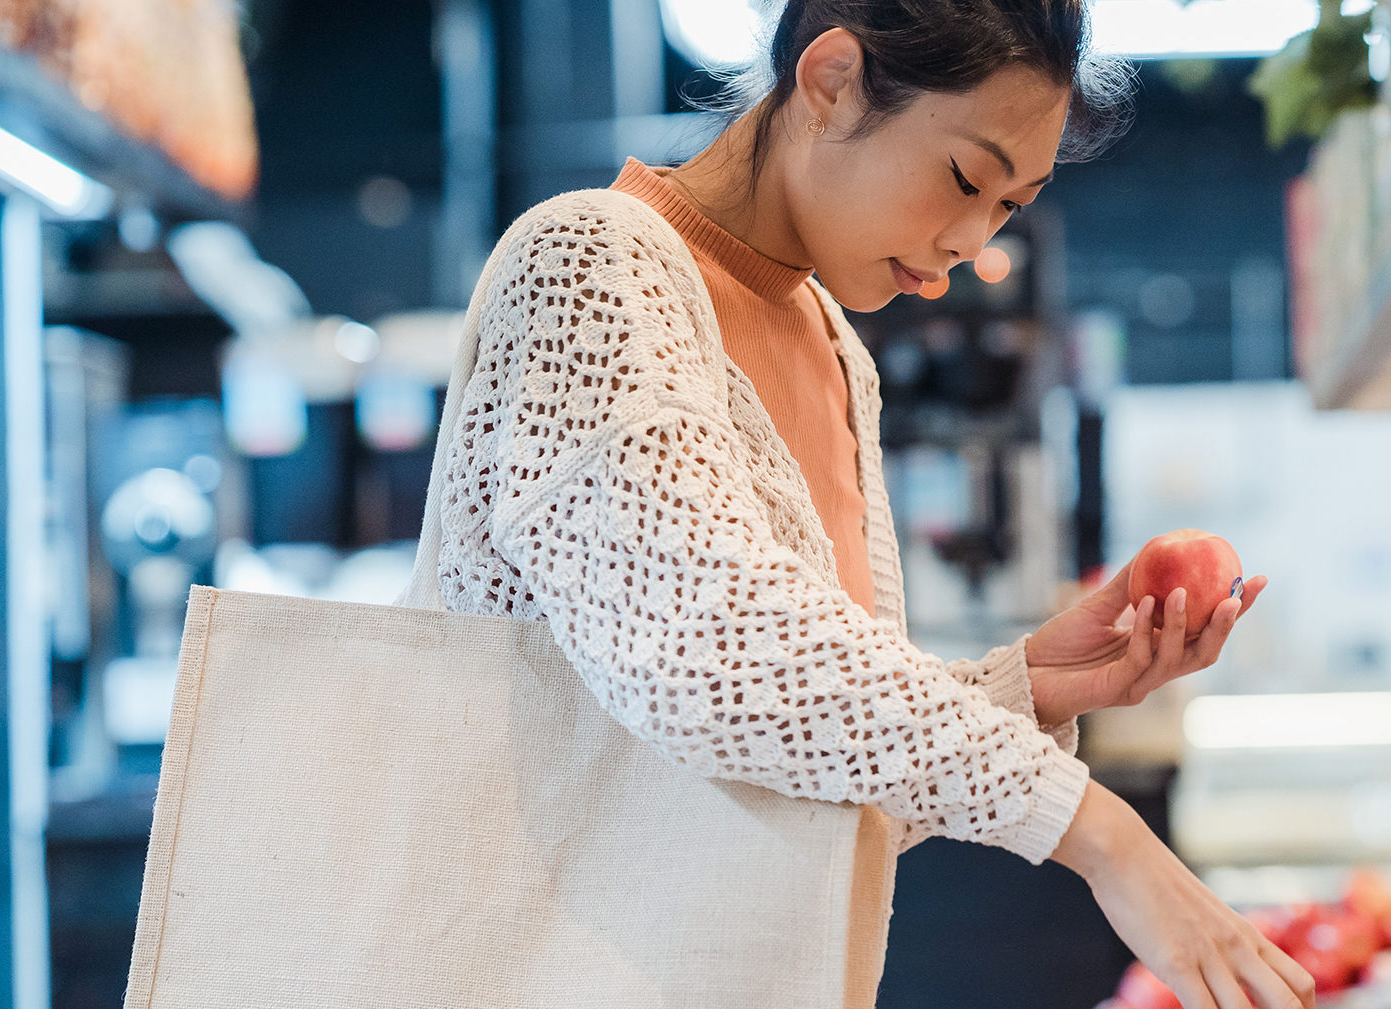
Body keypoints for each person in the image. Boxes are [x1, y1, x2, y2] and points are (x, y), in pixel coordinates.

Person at [431, 2, 1314, 1006]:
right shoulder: (591, 264)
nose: (971, 240)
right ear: (833, 77)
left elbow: (802, 775)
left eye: (1009, 206)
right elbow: (707, 653)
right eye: (965, 179)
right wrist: (1098, 832)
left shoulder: (834, 346)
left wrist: (1035, 685)